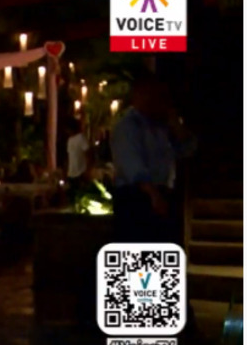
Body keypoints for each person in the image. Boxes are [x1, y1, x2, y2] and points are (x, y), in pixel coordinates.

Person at [111, 75, 194, 245]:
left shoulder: (161, 127)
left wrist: (176, 126)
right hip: (137, 196)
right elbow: (131, 164)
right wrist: (152, 193)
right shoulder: (128, 126)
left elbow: (186, 150)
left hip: (161, 191)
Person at [66, 117, 92, 205]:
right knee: (72, 198)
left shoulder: (81, 138)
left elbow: (89, 154)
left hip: (80, 172)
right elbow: (69, 156)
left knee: (81, 198)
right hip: (71, 173)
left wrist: (87, 170)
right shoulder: (70, 140)